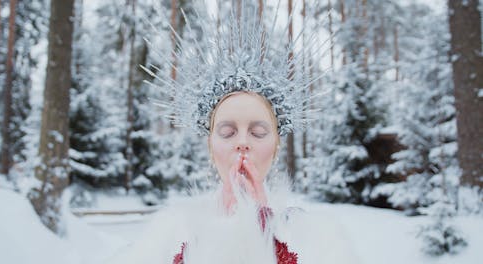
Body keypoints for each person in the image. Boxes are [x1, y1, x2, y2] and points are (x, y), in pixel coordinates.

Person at [106, 2, 358, 263]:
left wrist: (263, 225)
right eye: (227, 132)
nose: (242, 143)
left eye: (258, 132)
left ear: (277, 145)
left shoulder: (319, 236)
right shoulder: (169, 231)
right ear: (210, 145)